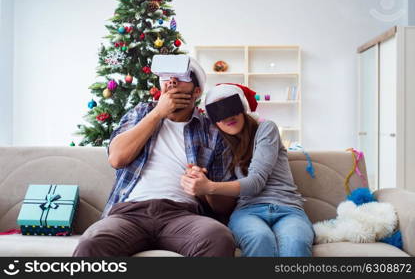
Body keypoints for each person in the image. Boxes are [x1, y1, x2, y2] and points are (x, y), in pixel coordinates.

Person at [73, 57, 236, 257]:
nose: (172, 82)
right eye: (166, 77)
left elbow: (224, 206)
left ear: (197, 91)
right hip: (130, 214)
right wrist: (157, 113)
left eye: (181, 77)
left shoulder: (211, 131)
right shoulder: (142, 112)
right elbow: (116, 158)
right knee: (92, 243)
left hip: (183, 215)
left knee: (218, 237)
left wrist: (205, 188)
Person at [180, 84, 315, 257]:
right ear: (214, 121)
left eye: (231, 107)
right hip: (248, 211)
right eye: (219, 113)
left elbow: (255, 182)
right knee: (260, 238)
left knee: (295, 242)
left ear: (242, 106)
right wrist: (196, 177)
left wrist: (209, 186)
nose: (228, 116)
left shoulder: (266, 129)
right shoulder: (222, 147)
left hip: (287, 207)